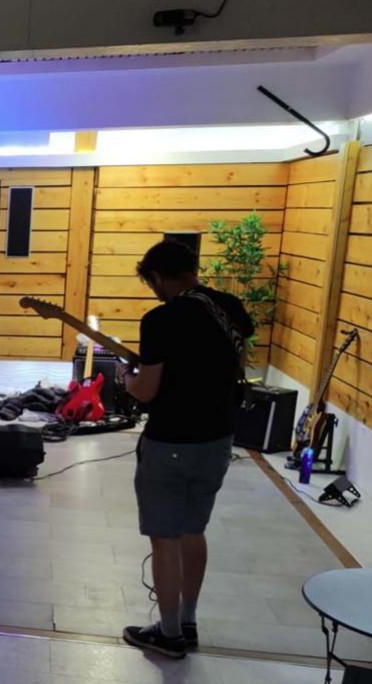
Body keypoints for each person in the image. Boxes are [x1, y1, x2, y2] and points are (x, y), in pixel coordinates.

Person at [119, 239, 253, 659]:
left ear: (157, 277)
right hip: (218, 439)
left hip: (171, 441)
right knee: (194, 531)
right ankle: (189, 621)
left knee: (165, 538)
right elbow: (233, 362)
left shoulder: (162, 319)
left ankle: (170, 634)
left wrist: (128, 380)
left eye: (152, 283)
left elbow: (147, 390)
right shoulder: (228, 306)